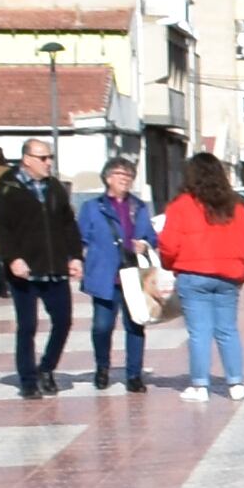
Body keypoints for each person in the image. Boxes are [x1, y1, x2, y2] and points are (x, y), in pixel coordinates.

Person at [161, 149, 244, 400]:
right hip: (229, 275)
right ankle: (236, 384)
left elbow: (169, 243)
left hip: (193, 275)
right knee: (227, 330)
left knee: (199, 331)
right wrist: (242, 274)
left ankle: (200, 385)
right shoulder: (236, 205)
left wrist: (169, 264)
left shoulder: (181, 205)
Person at [0, 135, 78, 398]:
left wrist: (74, 256)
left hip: (54, 267)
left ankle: (47, 368)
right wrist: (12, 257)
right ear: (27, 160)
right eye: (43, 158)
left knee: (63, 321)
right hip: (24, 270)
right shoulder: (8, 188)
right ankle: (27, 380)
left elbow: (68, 224)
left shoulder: (55, 188)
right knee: (27, 326)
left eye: (50, 157)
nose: (48, 163)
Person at [78, 155, 160, 394]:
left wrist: (144, 244)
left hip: (134, 276)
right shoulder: (93, 208)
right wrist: (78, 262)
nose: (126, 180)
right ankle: (102, 367)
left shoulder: (139, 207)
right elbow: (80, 238)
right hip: (105, 276)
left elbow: (151, 237)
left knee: (135, 326)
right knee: (102, 327)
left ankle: (134, 374)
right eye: (120, 175)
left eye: (129, 176)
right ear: (108, 178)